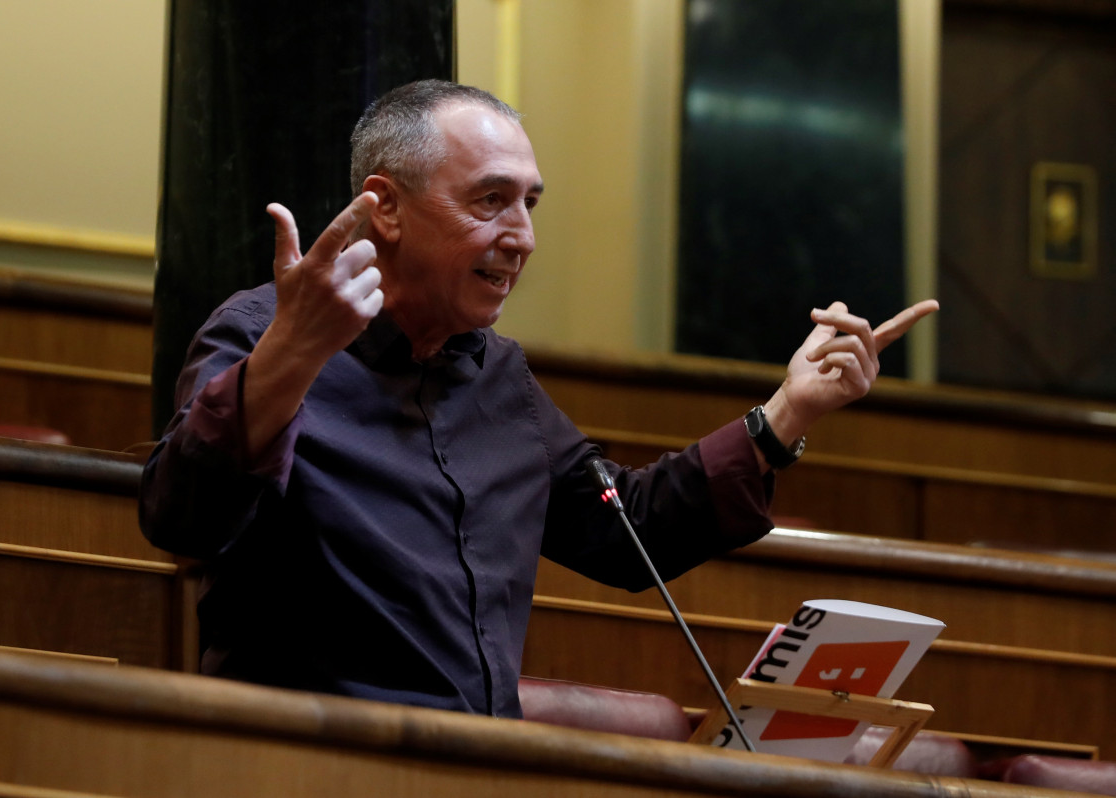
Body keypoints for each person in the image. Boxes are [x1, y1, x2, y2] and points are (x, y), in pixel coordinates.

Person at [139, 79, 937, 718]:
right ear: (384, 208)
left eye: (530, 203)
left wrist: (785, 415)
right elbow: (183, 521)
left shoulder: (498, 379)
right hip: (305, 762)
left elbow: (628, 532)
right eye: (490, 200)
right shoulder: (258, 331)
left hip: (482, 769)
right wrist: (296, 351)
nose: (521, 235)